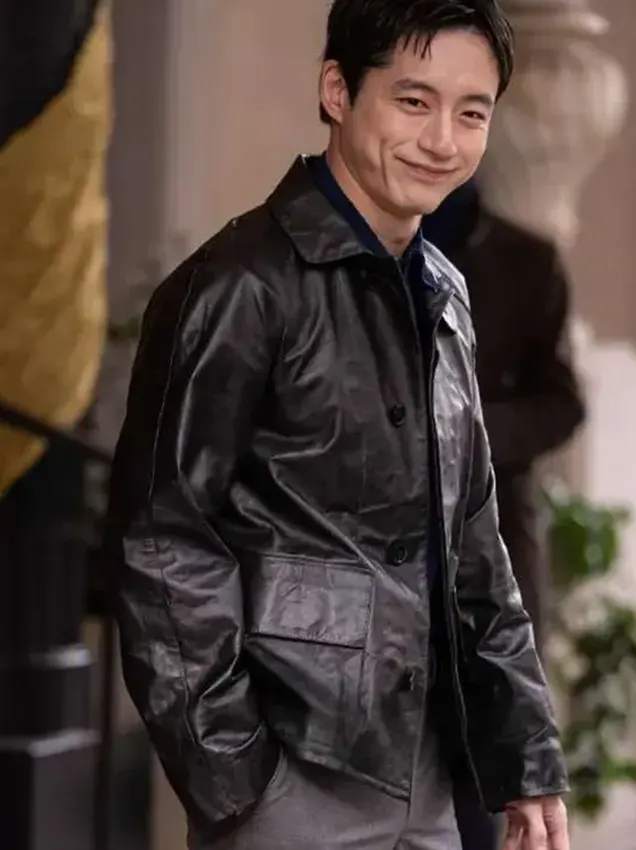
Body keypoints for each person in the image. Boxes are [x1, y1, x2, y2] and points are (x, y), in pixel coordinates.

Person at [104, 2, 571, 848]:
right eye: (414, 101)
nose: (442, 140)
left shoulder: (446, 295)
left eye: (472, 113)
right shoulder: (237, 287)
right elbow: (163, 545)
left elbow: (475, 547)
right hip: (289, 776)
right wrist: (237, 778)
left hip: (428, 777)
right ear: (337, 91)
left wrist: (526, 755)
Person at [424, 184, 585, 850]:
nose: (439, 142)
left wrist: (473, 432)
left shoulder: (527, 261)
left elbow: (563, 403)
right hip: (368, 554)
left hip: (491, 546)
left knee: (481, 768)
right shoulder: (351, 254)